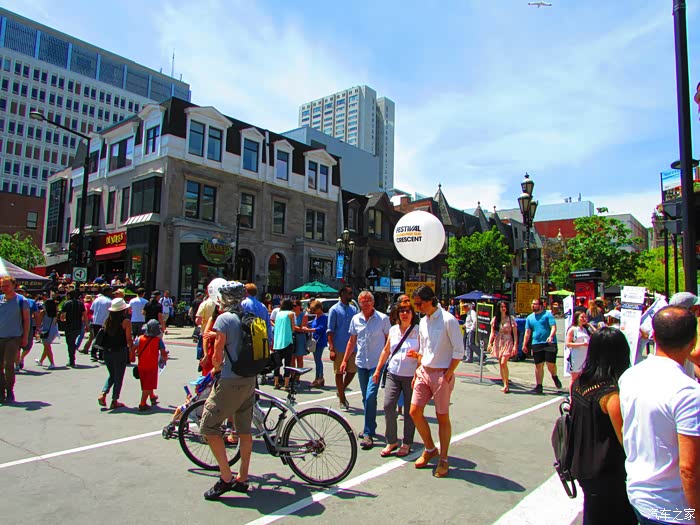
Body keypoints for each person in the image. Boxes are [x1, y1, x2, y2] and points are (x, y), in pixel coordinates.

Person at [619, 306, 700, 525]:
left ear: (653, 336)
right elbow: (689, 469)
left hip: (639, 495)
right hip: (673, 509)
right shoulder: (688, 392)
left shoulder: (630, 376)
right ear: (693, 341)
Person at [569, 327, 637, 524]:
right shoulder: (611, 394)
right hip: (607, 471)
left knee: (593, 514)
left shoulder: (580, 383)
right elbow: (625, 440)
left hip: (582, 463)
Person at [200, 281, 254, 500]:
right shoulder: (250, 317)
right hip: (250, 378)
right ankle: (243, 477)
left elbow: (217, 354)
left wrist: (215, 367)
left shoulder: (224, 319)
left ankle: (226, 476)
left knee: (208, 426)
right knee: (244, 430)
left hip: (231, 379)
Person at [409, 285, 463, 478]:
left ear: (430, 300)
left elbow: (459, 349)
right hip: (424, 370)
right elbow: (423, 349)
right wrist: (417, 371)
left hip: (441, 373)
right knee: (414, 411)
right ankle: (430, 448)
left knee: (442, 417)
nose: (417, 308)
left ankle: (444, 459)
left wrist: (449, 373)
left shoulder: (448, 320)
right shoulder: (423, 321)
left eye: (419, 304)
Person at [339, 291, 390, 450]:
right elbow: (352, 341)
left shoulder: (383, 319)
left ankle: (368, 433)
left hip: (376, 364)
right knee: (365, 397)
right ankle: (370, 425)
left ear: (373, 302)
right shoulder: (356, 319)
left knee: (370, 396)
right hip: (361, 363)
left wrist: (388, 360)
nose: (365, 304)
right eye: (362, 302)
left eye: (368, 301)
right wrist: (345, 360)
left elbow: (389, 341)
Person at [372, 300, 419, 458]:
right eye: (402, 311)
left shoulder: (419, 331)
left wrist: (417, 356)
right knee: (388, 405)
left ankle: (407, 442)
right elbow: (386, 351)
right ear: (397, 314)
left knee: (409, 411)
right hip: (393, 373)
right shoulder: (393, 330)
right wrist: (378, 370)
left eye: (408, 311)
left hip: (411, 376)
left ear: (412, 314)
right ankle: (391, 441)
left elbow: (426, 354)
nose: (404, 314)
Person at [97, 298, 133, 410]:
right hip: (120, 350)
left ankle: (103, 393)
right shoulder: (126, 322)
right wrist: (131, 350)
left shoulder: (108, 320)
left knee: (112, 374)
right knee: (119, 376)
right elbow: (128, 339)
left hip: (107, 351)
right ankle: (114, 400)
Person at [327, 285, 358, 411]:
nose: (351, 295)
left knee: (352, 371)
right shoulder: (334, 310)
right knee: (339, 373)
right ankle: (342, 399)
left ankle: (341, 391)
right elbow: (330, 331)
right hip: (339, 347)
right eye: (349, 293)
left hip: (353, 347)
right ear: (342, 294)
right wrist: (331, 348)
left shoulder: (354, 309)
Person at [522, 298, 561, 394]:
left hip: (549, 342)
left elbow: (553, 327)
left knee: (550, 364)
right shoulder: (529, 318)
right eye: (532, 304)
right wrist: (524, 344)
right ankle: (539, 386)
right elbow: (527, 332)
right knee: (538, 365)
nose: (533, 305)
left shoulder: (547, 315)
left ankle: (554, 376)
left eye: (535, 304)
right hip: (536, 342)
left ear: (540, 306)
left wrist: (551, 336)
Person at [0, 276, 30, 403]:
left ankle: (9, 389)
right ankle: (1, 391)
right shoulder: (0, 299)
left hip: (13, 337)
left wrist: (25, 337)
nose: (4, 288)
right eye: (2, 286)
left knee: (8, 363)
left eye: (6, 285)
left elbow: (27, 320)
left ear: (13, 285)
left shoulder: (21, 300)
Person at [131, 319, 168, 411]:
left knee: (145, 383)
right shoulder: (158, 341)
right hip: (152, 366)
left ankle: (152, 396)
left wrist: (132, 357)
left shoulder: (140, 338)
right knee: (148, 385)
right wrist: (165, 358)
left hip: (141, 365)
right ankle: (142, 403)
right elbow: (163, 353)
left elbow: (133, 349)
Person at [487, 301, 518, 393]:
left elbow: (515, 334)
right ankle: (504, 383)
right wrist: (489, 343)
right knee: (501, 363)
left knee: (504, 362)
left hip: (508, 341)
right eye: (501, 307)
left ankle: (506, 384)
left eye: (504, 306)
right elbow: (492, 332)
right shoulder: (495, 319)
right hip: (498, 341)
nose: (503, 308)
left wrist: (515, 346)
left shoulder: (511, 319)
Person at [566, 310, 594, 386]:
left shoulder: (585, 329)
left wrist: (590, 325)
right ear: (577, 318)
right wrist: (582, 344)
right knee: (574, 378)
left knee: (584, 377)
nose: (584, 319)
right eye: (582, 317)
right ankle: (572, 393)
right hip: (576, 356)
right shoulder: (573, 329)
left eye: (585, 317)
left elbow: (596, 333)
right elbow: (568, 344)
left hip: (585, 356)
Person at [60, 289, 87, 368]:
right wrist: (86, 325)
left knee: (70, 343)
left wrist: (62, 320)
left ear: (69, 295)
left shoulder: (66, 303)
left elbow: (63, 316)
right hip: (78, 325)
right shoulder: (81, 304)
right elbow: (84, 315)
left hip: (69, 325)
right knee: (73, 340)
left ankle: (72, 359)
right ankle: (73, 354)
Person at [14, 286, 39, 372]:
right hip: (16, 327)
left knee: (28, 346)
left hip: (28, 327)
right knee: (16, 347)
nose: (20, 293)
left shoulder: (31, 302)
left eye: (22, 291)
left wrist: (38, 327)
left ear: (26, 293)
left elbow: (36, 315)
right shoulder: (13, 301)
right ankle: (17, 364)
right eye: (18, 291)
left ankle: (21, 358)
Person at [271, 299, 295, 390]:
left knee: (277, 364)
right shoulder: (291, 314)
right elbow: (293, 328)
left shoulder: (278, 314)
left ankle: (276, 382)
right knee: (287, 364)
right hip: (287, 341)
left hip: (277, 341)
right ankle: (286, 384)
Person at [35, 292, 59, 369]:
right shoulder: (55, 313)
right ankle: (41, 360)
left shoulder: (43, 312)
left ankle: (52, 363)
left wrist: (37, 331)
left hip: (46, 330)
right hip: (54, 330)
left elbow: (38, 322)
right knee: (47, 347)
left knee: (47, 347)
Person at [307, 300, 328, 387]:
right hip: (315, 341)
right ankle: (320, 378)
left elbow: (321, 328)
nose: (313, 311)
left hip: (319, 341)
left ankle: (318, 378)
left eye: (314, 310)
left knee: (318, 360)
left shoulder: (323, 317)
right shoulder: (316, 317)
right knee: (317, 360)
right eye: (312, 310)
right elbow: (311, 324)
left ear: (319, 308)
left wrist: (309, 330)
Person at [89, 287, 113, 362]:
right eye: (110, 292)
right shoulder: (109, 301)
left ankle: (93, 353)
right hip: (104, 322)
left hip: (96, 321)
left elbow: (91, 310)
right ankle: (101, 354)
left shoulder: (96, 300)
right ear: (107, 292)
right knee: (104, 339)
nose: (111, 293)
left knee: (96, 338)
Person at [292, 300, 309, 370]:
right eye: (292, 306)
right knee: (292, 358)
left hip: (300, 337)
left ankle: (298, 374)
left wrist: (293, 326)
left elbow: (302, 329)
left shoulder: (304, 315)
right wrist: (295, 327)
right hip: (292, 337)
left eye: (295, 306)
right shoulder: (292, 315)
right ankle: (292, 374)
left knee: (299, 358)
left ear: (299, 306)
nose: (293, 307)